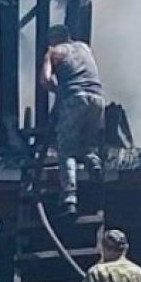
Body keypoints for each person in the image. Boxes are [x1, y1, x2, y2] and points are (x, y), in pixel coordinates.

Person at [40, 25, 105, 216]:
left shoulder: (54, 51)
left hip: (75, 98)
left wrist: (59, 91)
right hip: (98, 98)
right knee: (86, 144)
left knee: (66, 149)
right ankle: (94, 165)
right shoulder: (84, 47)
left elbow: (45, 80)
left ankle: (69, 198)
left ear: (53, 39)